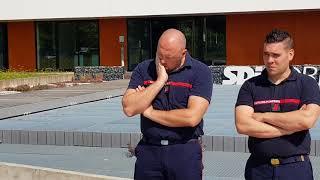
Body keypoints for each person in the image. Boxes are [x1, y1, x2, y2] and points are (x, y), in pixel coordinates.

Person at [122, 28, 213, 180]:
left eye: (168, 57)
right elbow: (129, 108)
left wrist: (149, 111)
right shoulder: (144, 69)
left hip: (184, 151)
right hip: (149, 151)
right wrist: (159, 82)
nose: (162, 61)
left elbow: (191, 117)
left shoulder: (200, 72)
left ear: (183, 53)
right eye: (159, 55)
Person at [235, 29, 320, 180]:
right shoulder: (250, 86)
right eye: (266, 54)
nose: (269, 60)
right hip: (258, 169)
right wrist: (290, 128)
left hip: (295, 169)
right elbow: (243, 125)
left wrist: (263, 116)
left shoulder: (307, 84)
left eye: (276, 55)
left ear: (291, 54)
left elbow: (307, 120)